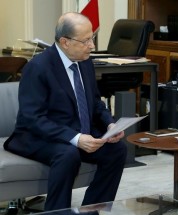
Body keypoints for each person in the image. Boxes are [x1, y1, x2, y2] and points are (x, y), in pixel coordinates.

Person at [4, 12, 127, 211]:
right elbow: (33, 118)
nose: (92, 46)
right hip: (38, 136)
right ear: (65, 42)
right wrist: (77, 138)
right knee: (68, 154)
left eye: (92, 38)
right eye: (87, 40)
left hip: (76, 131)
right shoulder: (38, 67)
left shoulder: (85, 61)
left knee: (117, 150)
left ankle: (91, 210)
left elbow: (95, 102)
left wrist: (109, 123)